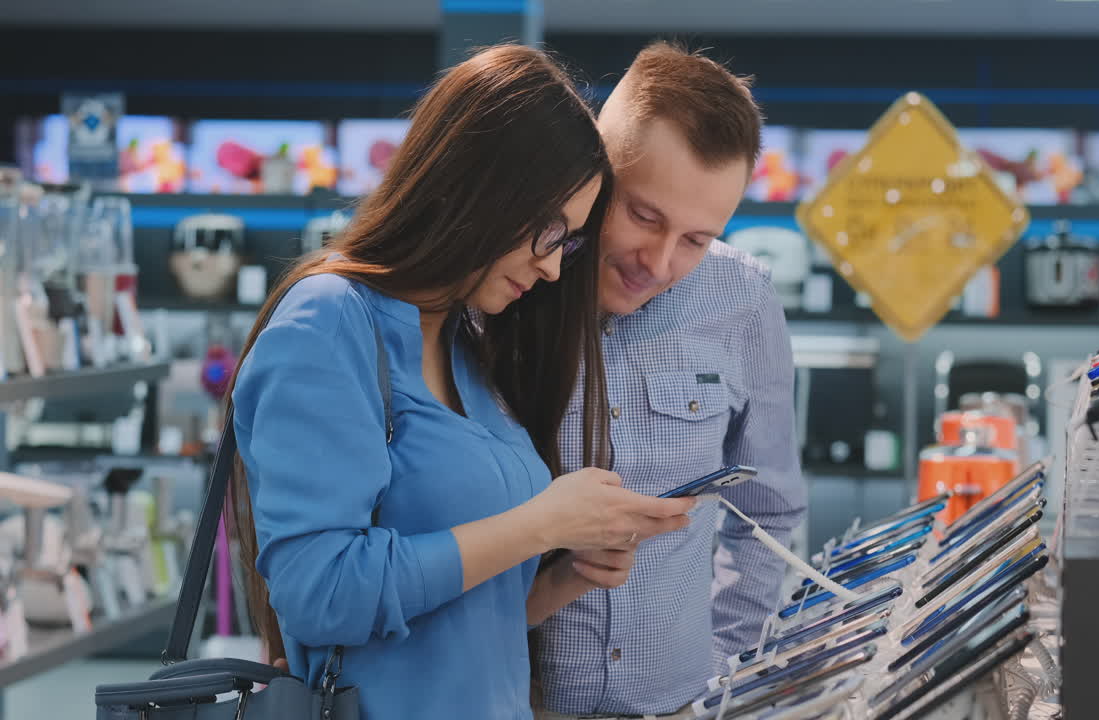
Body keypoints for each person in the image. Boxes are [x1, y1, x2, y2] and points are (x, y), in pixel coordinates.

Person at [228, 45, 696, 720]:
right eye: (547, 231)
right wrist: (539, 525)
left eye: (567, 242)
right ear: (478, 190)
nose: (553, 269)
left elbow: (455, 630)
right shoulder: (329, 321)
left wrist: (566, 574)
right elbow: (320, 594)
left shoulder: (460, 340)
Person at [532, 42, 807, 718]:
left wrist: (725, 664)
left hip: (681, 702)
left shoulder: (744, 300)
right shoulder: (510, 290)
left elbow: (769, 508)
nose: (656, 263)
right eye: (643, 216)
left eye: (696, 239)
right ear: (596, 170)